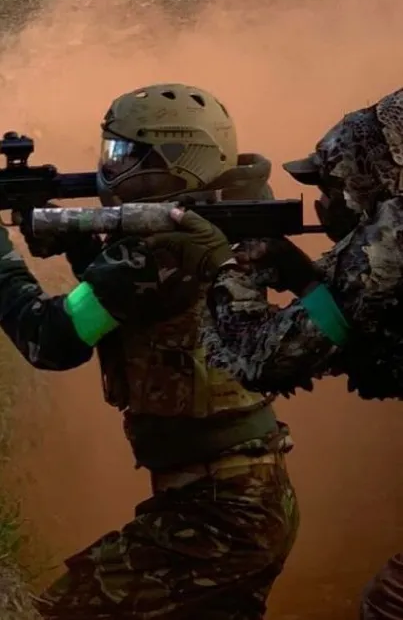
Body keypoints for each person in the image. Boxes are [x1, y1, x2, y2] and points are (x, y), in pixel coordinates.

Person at [0, 83, 298, 619]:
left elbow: (49, 339)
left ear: (177, 161)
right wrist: (75, 245)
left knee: (52, 613)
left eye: (125, 155)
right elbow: (128, 306)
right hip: (237, 503)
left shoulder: (164, 248)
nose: (110, 167)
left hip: (220, 514)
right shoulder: (198, 236)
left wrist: (1, 264)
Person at [146, 86, 403, 620]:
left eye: (332, 187)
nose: (324, 204)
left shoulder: (393, 237)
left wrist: (229, 269)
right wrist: (299, 275)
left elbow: (266, 359)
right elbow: (367, 345)